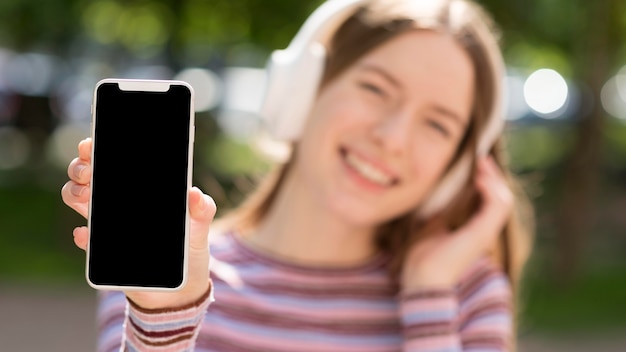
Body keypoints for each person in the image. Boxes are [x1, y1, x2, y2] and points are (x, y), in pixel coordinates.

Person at [61, 0, 535, 350]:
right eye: (375, 88)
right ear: (300, 91)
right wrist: (164, 317)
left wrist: (430, 296)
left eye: (437, 124)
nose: (394, 138)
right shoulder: (169, 269)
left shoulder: (464, 291)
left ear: (457, 164)